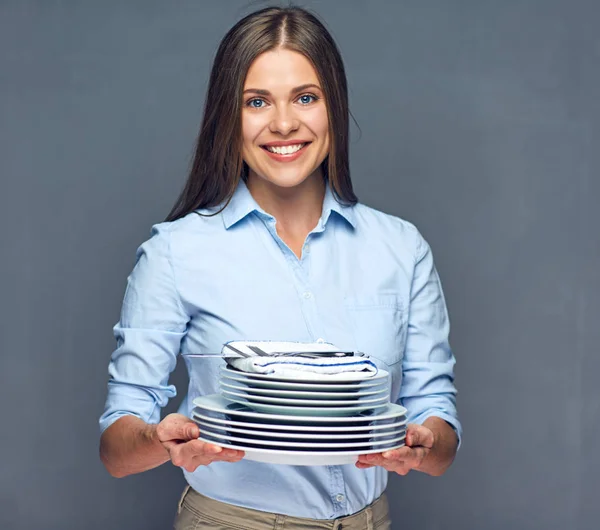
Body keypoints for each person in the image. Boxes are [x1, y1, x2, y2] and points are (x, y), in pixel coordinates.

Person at [99, 6, 462, 529]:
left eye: (306, 98)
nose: (285, 123)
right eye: (257, 101)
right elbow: (117, 448)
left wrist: (424, 446)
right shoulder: (175, 253)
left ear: (334, 106)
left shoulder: (401, 249)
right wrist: (159, 442)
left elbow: (439, 426)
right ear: (229, 115)